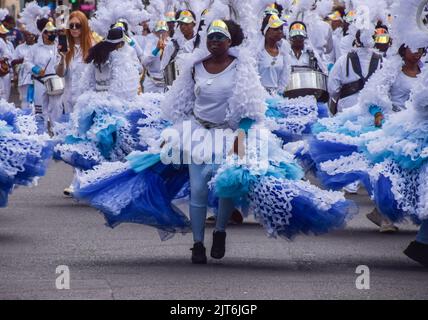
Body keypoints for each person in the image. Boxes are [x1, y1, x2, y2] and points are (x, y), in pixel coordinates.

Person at [55, 10, 94, 115]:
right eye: (71, 25)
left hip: (87, 101)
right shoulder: (63, 47)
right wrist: (63, 58)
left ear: (84, 26)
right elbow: (60, 74)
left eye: (78, 25)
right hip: (68, 101)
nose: (74, 29)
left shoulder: (93, 47)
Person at [257, 14, 290, 95]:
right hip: (259, 99)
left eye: (281, 29)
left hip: (276, 97)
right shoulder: (257, 51)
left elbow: (284, 77)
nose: (280, 31)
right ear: (266, 31)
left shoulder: (283, 51)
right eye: (276, 29)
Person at [141, 20, 169, 93]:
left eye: (164, 31)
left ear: (167, 33)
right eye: (159, 32)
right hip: (151, 82)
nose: (161, 34)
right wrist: (156, 50)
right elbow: (144, 62)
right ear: (155, 33)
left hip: (165, 81)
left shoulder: (171, 44)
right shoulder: (150, 45)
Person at [11, 30, 37, 108]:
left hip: (37, 76)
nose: (28, 37)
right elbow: (13, 62)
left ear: (34, 36)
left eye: (30, 35)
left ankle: (37, 118)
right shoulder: (19, 48)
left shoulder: (39, 47)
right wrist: (23, 60)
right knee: (25, 98)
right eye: (26, 35)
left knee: (36, 98)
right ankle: (25, 117)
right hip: (24, 77)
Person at [0, 21, 14, 102]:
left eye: (4, 34)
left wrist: (2, 59)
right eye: (2, 34)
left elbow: (9, 55)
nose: (3, 36)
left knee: (5, 93)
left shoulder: (3, 43)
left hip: (3, 70)